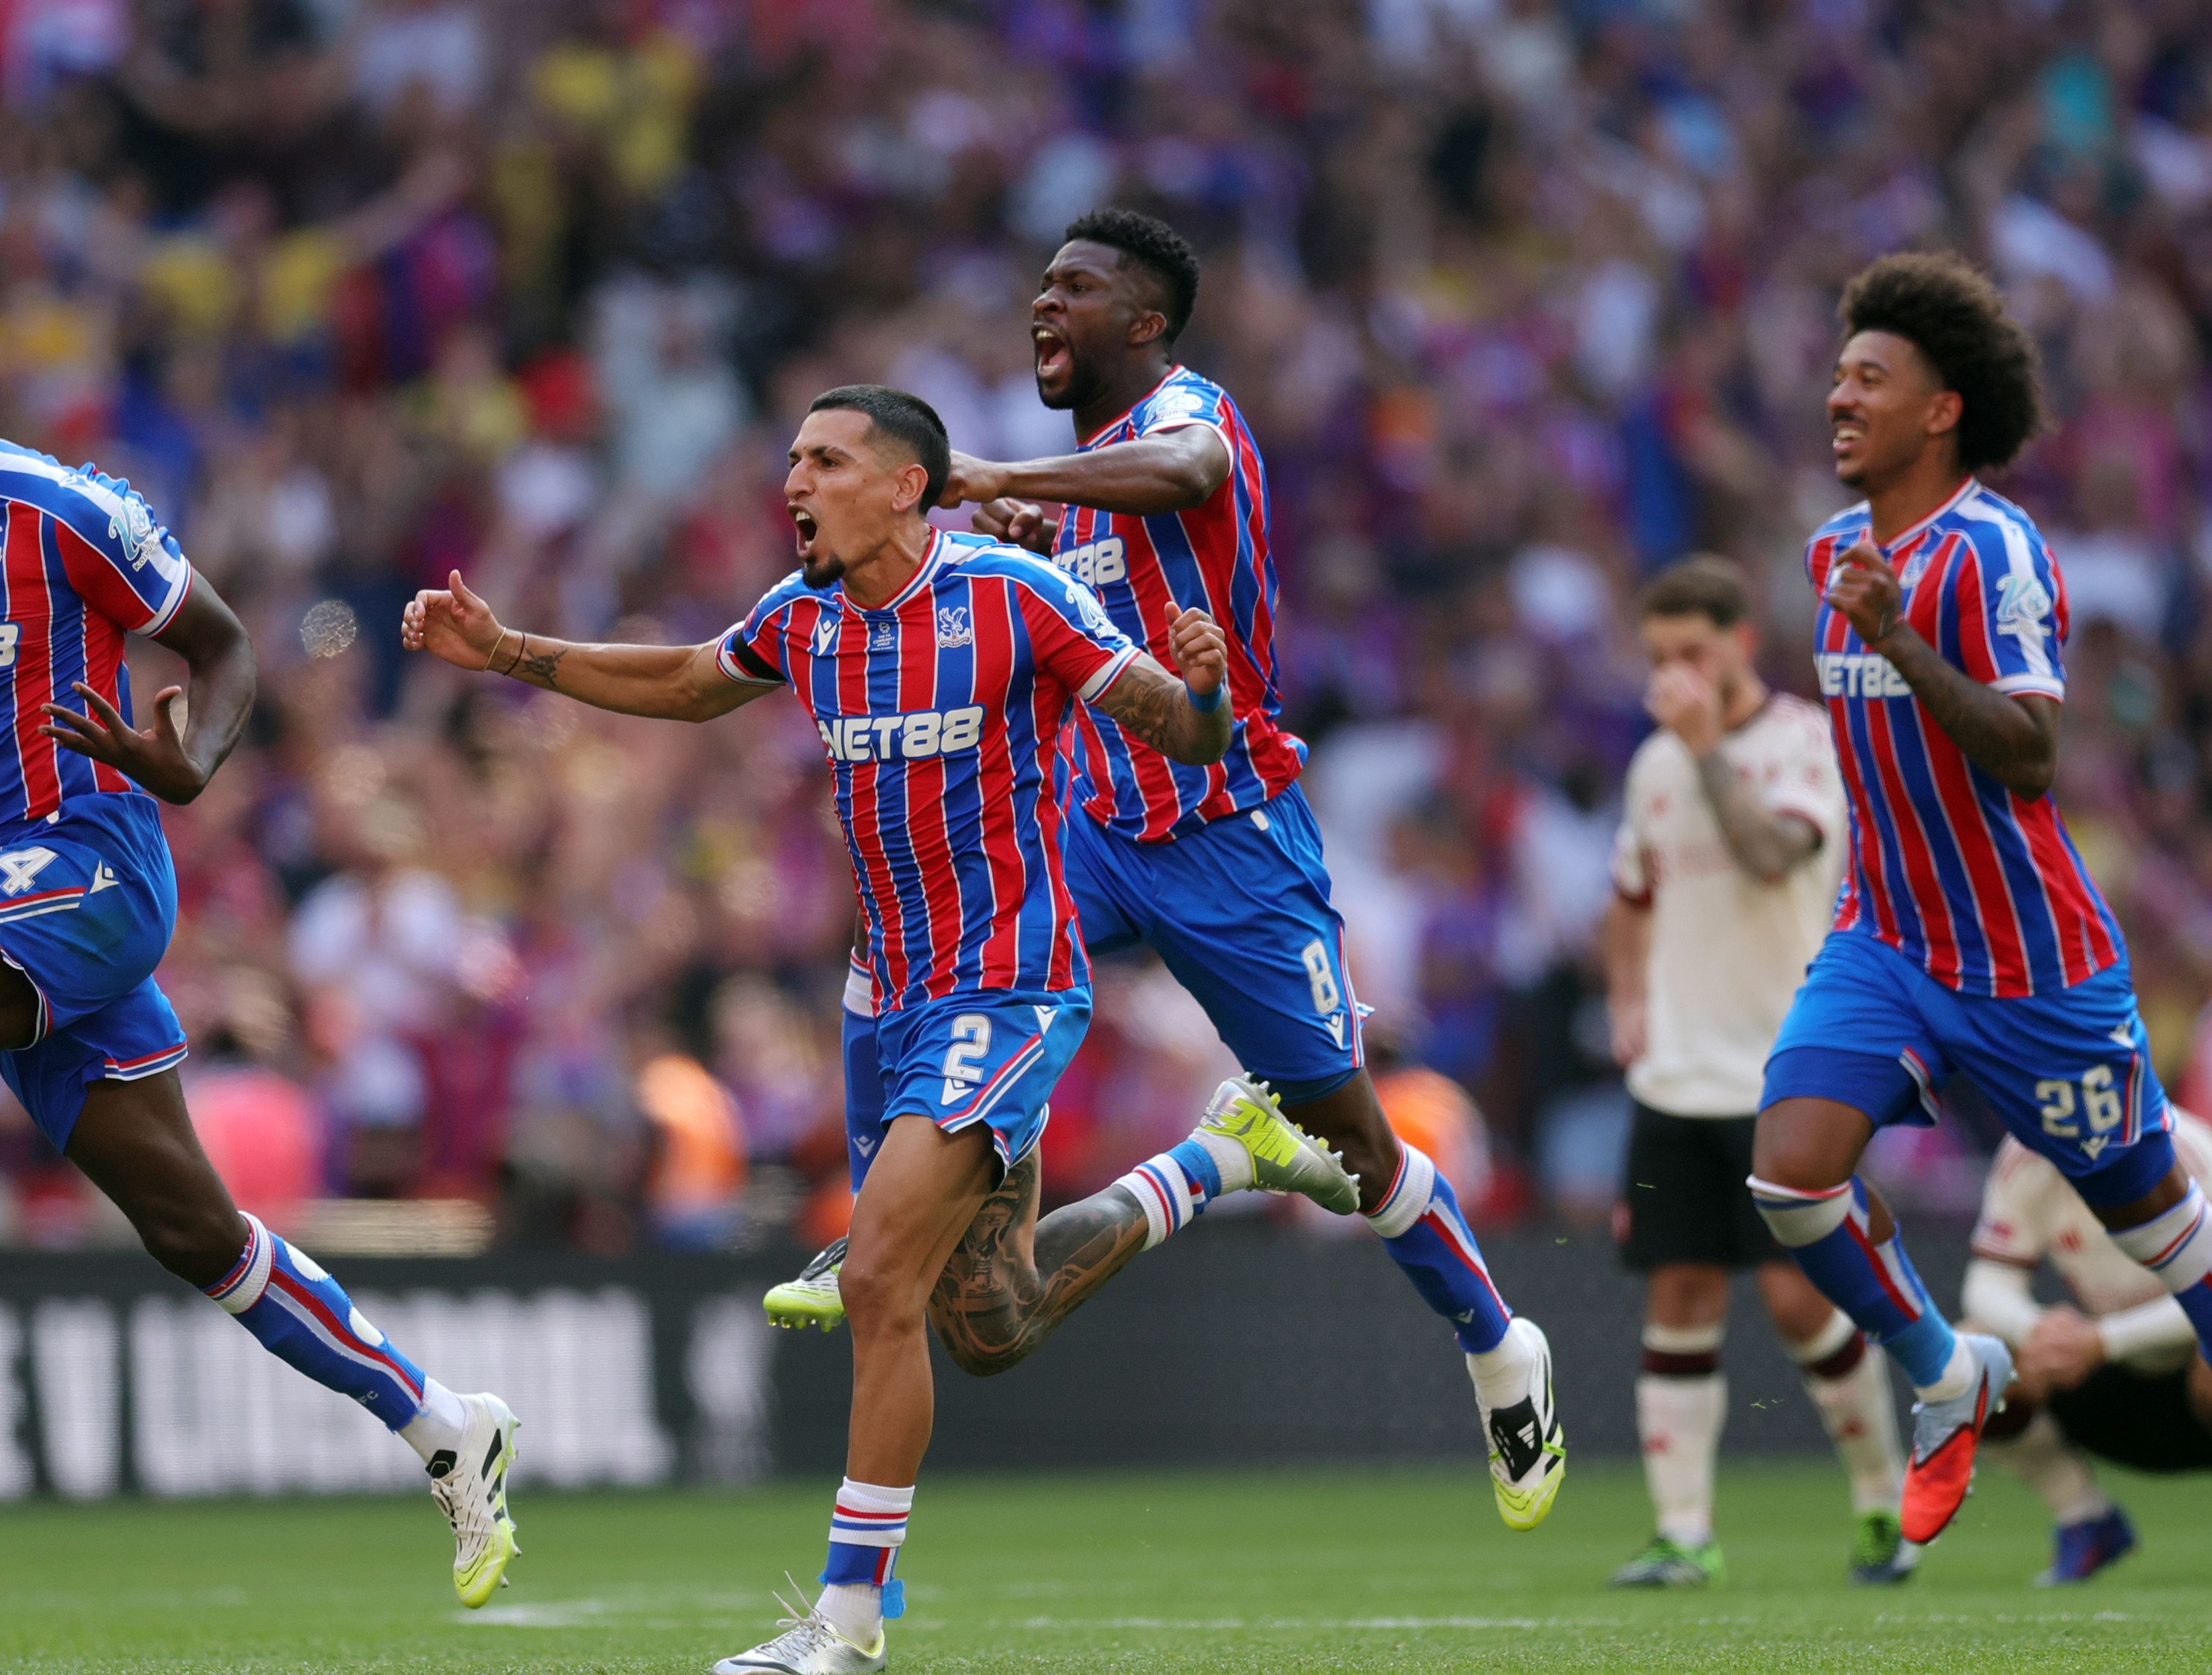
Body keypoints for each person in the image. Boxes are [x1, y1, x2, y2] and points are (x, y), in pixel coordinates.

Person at [403, 384, 1361, 1674]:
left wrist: (1198, 697)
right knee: (988, 1320)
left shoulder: (1015, 599)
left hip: (1009, 984)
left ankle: (848, 1626)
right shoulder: (804, 620)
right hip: (881, 1000)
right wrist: (510, 650)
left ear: (906, 484)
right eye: (791, 458)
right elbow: (690, 681)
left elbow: (1174, 725)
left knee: (874, 1280)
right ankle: (1217, 1158)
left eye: (827, 459)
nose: (793, 480)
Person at [0, 290, 521, 1606]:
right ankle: (443, 1421)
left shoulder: (65, 508)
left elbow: (226, 645)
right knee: (196, 1232)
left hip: (89, 861)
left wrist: (195, 755)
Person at [766, 209, 1566, 1532]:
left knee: (1354, 1135)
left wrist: (982, 475)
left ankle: (1496, 1341)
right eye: (1039, 282)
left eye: (1075, 287)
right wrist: (1010, 522)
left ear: (1143, 321)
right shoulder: (1074, 482)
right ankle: (913, 1212)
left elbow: (1188, 470)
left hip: (1227, 832)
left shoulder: (1192, 417)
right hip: (1082, 825)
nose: (1044, 303)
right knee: (951, 951)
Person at [1739, 253, 2212, 1630]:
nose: (1837, 395)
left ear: (1942, 408)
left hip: (2034, 973)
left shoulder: (1997, 552)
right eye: (1837, 373)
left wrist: (1901, 642)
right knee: (1787, 1180)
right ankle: (1947, 1368)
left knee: (2170, 1232)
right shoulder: (1828, 552)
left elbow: (2030, 753)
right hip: (1886, 938)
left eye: (1869, 378)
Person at [1598, 555, 1906, 1587]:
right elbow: (1631, 891)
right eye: (1657, 658)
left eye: (1691, 651)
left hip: (1785, 1072)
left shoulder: (1799, 747)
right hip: (1675, 1077)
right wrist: (1626, 995)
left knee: (1797, 1297)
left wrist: (1702, 752)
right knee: (1678, 1291)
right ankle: (1683, 1529)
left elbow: (1773, 854)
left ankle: (1880, 1499)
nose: (1674, 673)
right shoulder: (1650, 767)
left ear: (1738, 642)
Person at [1962, 1109, 2212, 1585]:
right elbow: (1985, 1284)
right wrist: (2037, 1329)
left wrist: (2103, 1340)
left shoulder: (2185, 1146)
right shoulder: (2025, 1154)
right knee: (1969, 1358)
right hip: (2111, 1379)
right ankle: (2084, 1517)